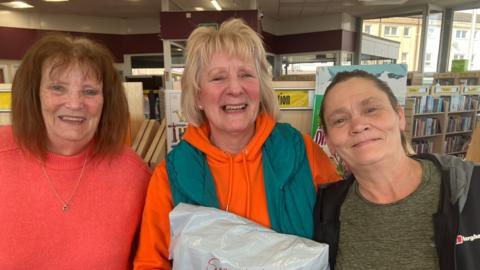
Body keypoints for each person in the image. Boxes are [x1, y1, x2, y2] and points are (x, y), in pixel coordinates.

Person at [134, 18, 340, 269]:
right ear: (198, 95)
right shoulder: (172, 175)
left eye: (246, 75)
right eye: (218, 78)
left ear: (261, 88)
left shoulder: (302, 153)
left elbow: (344, 237)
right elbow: (151, 263)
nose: (235, 88)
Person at [0, 34, 151, 269]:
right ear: (33, 94)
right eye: (58, 88)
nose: (74, 103)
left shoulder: (133, 174)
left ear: (106, 101)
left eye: (89, 91)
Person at [313, 70, 480, 270]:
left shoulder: (471, 186)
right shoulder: (325, 210)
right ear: (330, 142)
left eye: (371, 109)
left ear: (400, 116)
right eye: (340, 120)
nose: (358, 125)